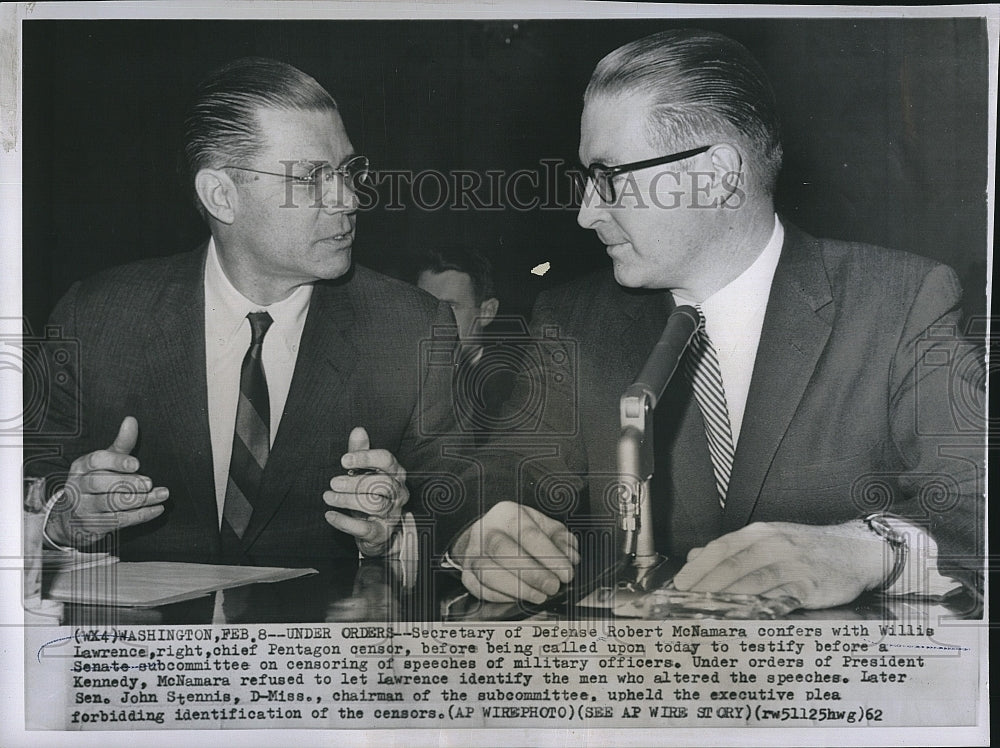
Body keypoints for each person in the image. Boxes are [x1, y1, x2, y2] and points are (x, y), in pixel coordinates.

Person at [445, 29, 984, 609]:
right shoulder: (575, 320)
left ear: (719, 174)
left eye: (609, 176)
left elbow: (974, 503)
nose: (585, 212)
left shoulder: (903, 302)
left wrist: (864, 551)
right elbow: (492, 479)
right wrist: (481, 533)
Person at [26, 57, 459, 569]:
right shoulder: (97, 316)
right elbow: (28, 479)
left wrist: (392, 535)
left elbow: (458, 511)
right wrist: (62, 519)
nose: (349, 197)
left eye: (348, 170)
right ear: (222, 196)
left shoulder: (410, 328)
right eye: (312, 177)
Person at [412, 247, 520, 444]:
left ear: (487, 312)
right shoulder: (400, 377)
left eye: (450, 308)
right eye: (423, 305)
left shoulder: (511, 392)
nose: (435, 320)